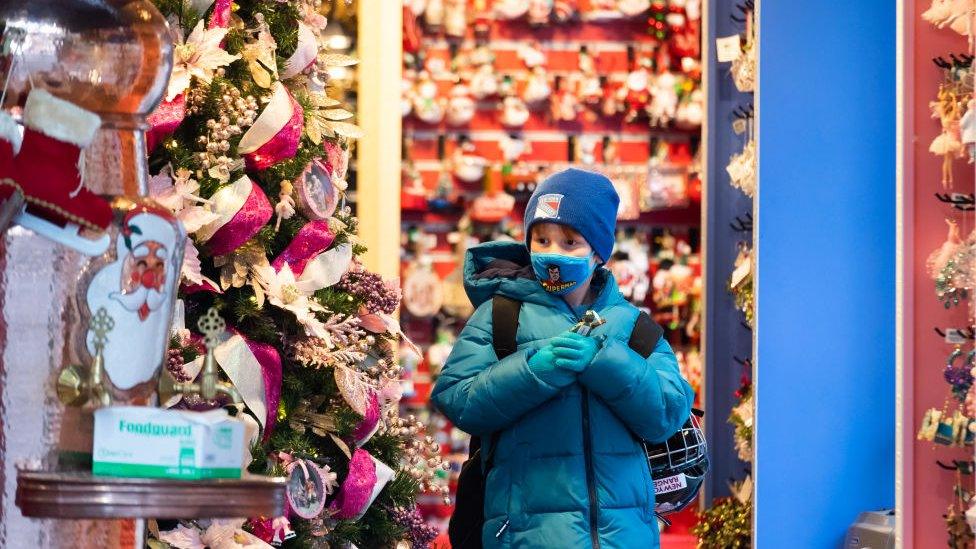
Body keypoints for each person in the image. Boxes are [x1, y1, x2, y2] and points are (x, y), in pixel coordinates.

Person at [432, 168, 695, 548]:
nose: (553, 253)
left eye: (570, 242)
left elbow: (667, 415)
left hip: (623, 537)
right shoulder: (502, 315)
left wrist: (603, 362)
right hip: (525, 535)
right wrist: (534, 370)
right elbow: (458, 400)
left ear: (598, 252)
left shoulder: (634, 327)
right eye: (542, 239)